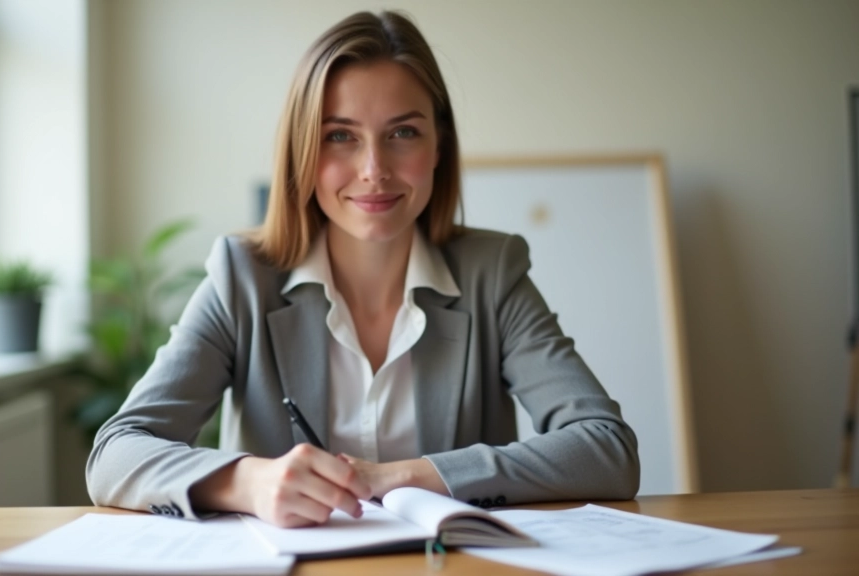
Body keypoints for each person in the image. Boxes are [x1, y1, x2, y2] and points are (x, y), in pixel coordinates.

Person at [86, 10, 639, 528]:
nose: (374, 170)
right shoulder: (242, 278)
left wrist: (406, 477)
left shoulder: (492, 274)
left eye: (402, 133)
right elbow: (115, 453)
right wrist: (250, 482)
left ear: (439, 144)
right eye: (340, 136)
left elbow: (606, 450)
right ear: (302, 150)